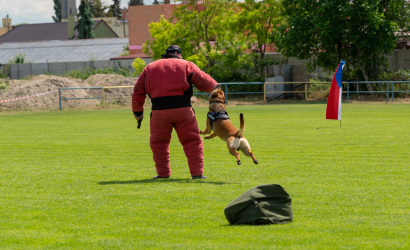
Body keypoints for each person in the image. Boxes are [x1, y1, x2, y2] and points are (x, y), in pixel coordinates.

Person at [132, 45, 218, 179]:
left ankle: (163, 174)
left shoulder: (150, 68)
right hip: (183, 110)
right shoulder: (186, 65)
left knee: (159, 143)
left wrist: (138, 112)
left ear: (165, 54)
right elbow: (207, 83)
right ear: (179, 55)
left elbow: (138, 92)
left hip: (159, 112)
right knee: (192, 141)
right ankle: (197, 174)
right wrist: (217, 89)